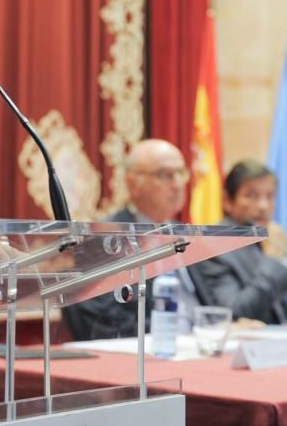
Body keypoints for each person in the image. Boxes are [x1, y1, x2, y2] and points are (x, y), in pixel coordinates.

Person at [63, 139, 213, 340]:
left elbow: (210, 300)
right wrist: (173, 334)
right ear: (133, 184)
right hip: (151, 348)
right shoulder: (106, 238)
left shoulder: (187, 234)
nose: (177, 184)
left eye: (181, 173)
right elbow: (105, 318)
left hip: (205, 342)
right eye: (165, 175)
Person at [196, 160, 287, 324]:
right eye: (251, 196)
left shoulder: (273, 237)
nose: (263, 206)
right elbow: (233, 312)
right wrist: (272, 262)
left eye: (270, 196)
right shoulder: (214, 246)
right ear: (227, 201)